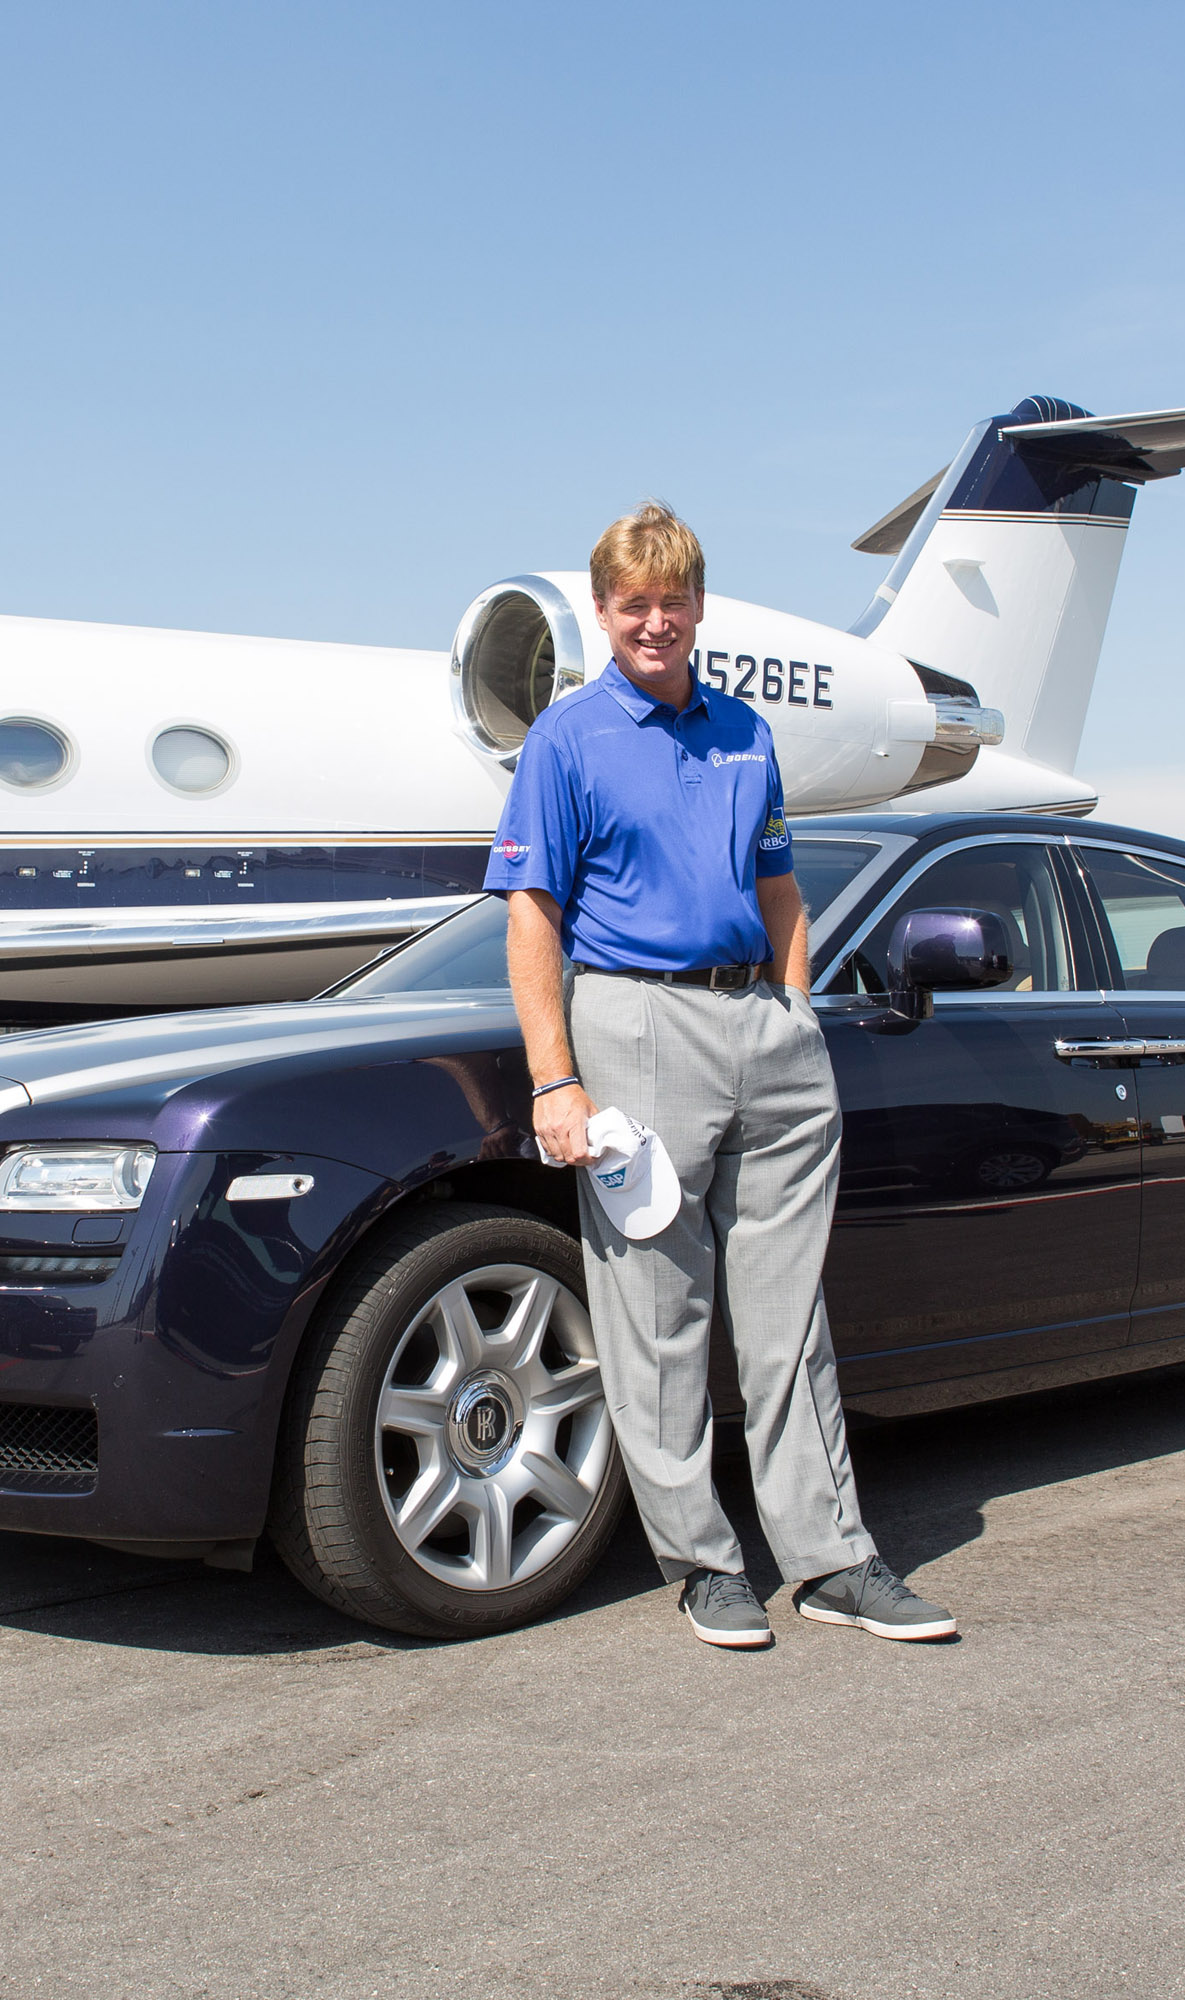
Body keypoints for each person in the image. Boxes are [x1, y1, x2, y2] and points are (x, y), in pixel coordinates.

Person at [486, 502, 955, 1651]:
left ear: (698, 608)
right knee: (657, 1313)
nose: (657, 621)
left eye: (673, 600)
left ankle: (833, 1557)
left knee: (791, 1315)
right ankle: (702, 1559)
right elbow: (532, 914)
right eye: (634, 603)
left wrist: (792, 1005)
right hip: (637, 1024)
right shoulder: (568, 740)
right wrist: (556, 1079)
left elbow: (781, 883)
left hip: (767, 1028)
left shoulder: (746, 731)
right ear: (604, 615)